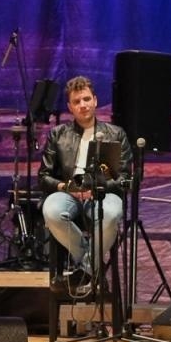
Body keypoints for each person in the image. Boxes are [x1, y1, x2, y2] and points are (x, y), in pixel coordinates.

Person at [38, 76, 128, 292]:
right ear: (70, 107)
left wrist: (99, 188)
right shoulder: (58, 134)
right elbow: (44, 176)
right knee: (51, 210)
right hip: (69, 192)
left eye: (87, 99)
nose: (83, 105)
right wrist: (65, 187)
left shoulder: (116, 134)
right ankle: (92, 267)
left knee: (113, 214)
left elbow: (124, 178)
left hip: (103, 193)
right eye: (77, 102)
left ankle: (86, 269)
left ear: (95, 101)